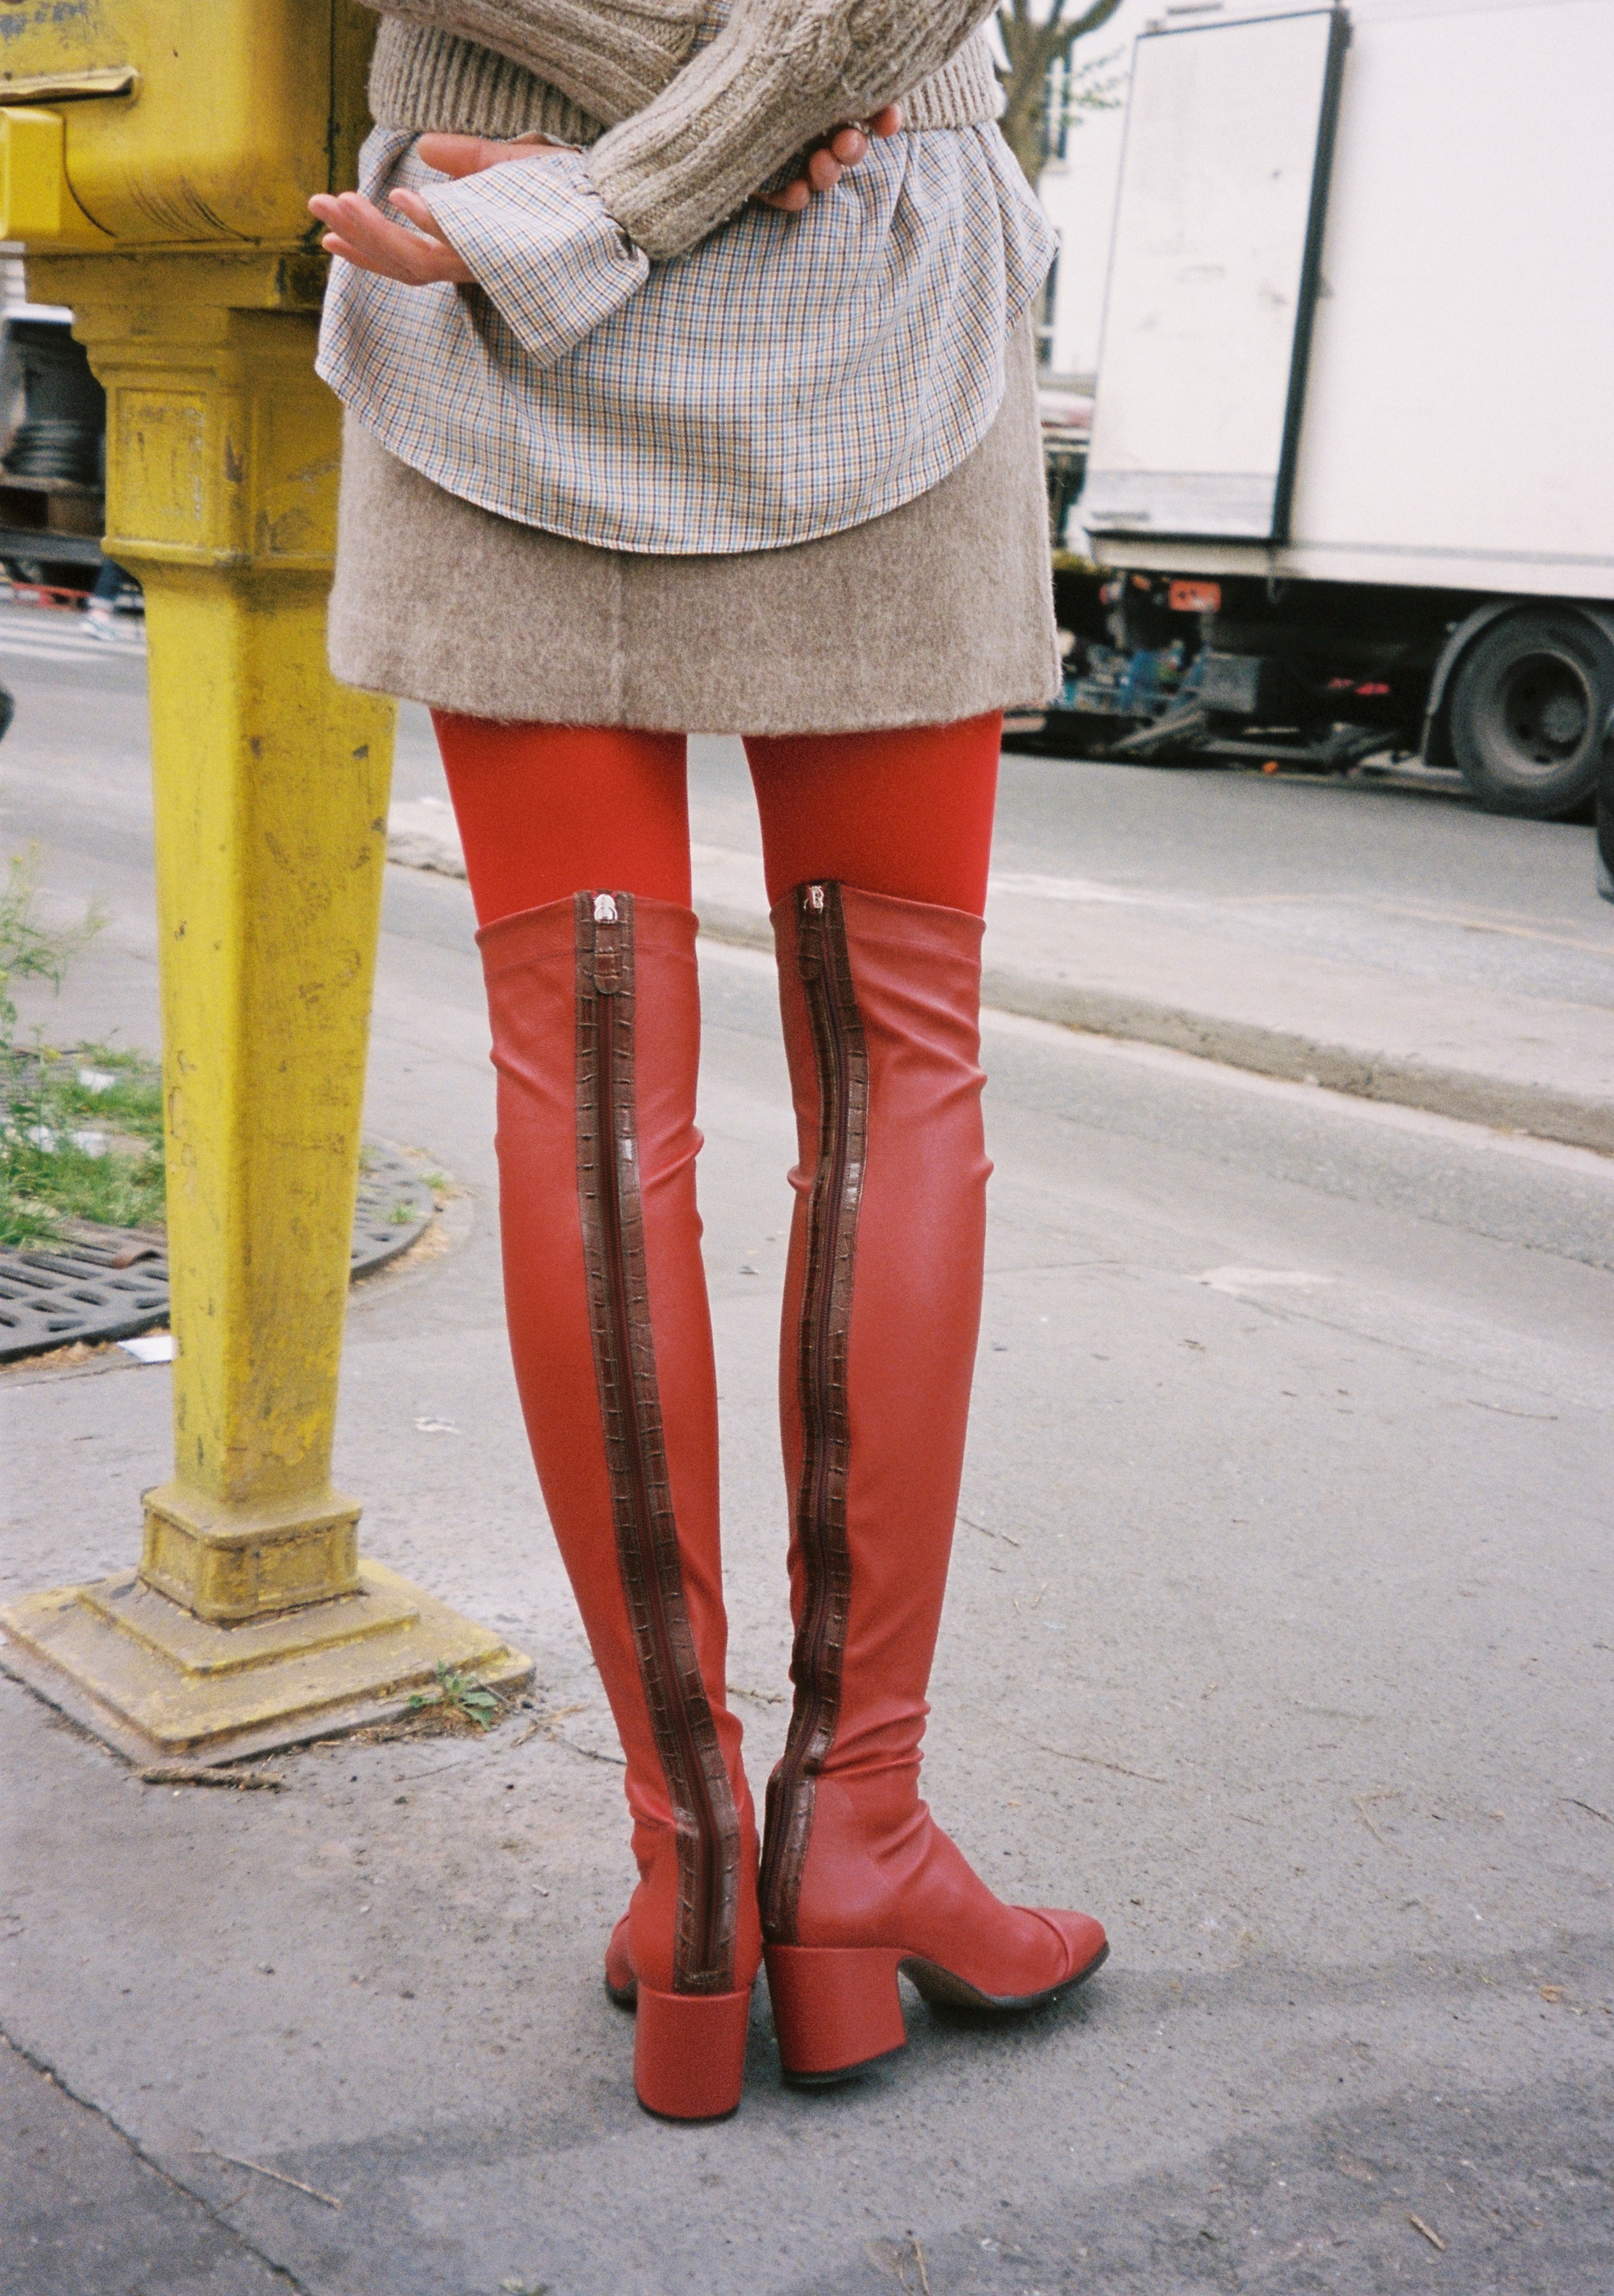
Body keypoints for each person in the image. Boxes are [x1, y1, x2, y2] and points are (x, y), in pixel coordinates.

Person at [310, 0, 1106, 2124]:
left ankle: (690, 1876)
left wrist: (611, 177)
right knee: (899, 1062)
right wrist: (742, 113)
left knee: (579, 1086)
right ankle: (862, 1835)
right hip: (850, 244)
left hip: (489, 261)